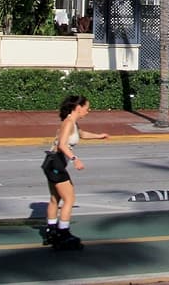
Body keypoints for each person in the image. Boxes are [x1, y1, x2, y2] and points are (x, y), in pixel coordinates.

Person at [41, 95, 109, 249]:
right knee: (69, 199)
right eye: (87, 108)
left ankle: (51, 232)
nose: (88, 111)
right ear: (78, 108)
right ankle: (63, 233)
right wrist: (75, 159)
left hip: (51, 164)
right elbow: (63, 145)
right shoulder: (68, 123)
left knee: (54, 199)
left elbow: (82, 134)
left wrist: (99, 136)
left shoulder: (72, 122)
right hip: (56, 164)